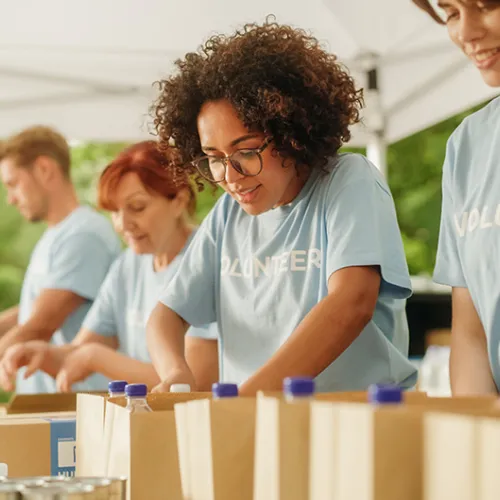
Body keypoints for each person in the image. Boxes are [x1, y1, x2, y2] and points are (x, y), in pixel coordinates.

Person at [146, 19, 417, 395]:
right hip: (255, 424)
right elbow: (165, 316)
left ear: (292, 134)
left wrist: (248, 398)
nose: (231, 174)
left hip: (352, 422)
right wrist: (175, 371)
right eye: (214, 157)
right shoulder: (227, 215)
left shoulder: (348, 181)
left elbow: (351, 302)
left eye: (246, 151)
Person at [0, 141, 219, 393]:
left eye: (137, 207)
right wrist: (42, 353)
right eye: (115, 211)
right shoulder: (127, 266)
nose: (123, 224)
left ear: (179, 201)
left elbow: (197, 378)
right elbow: (81, 350)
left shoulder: (204, 260)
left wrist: (95, 357)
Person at [413, 0, 500, 394]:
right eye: (450, 12)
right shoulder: (467, 144)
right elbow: (471, 333)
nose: (465, 33)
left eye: (486, 5)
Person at [0, 126, 121, 393]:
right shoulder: (56, 235)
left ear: (44, 169)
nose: (11, 199)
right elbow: (31, 309)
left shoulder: (84, 235)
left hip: (73, 406)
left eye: (13, 183)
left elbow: (39, 326)